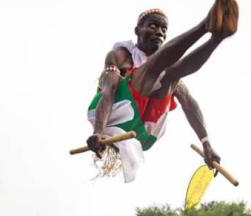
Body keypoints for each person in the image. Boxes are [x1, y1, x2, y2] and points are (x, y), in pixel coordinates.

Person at [86, 2, 239, 182]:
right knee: (152, 71)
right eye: (153, 26)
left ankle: (217, 38)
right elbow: (109, 89)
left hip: (146, 132)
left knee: (171, 76)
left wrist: (206, 143)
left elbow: (189, 104)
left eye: (164, 29)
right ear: (138, 31)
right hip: (117, 119)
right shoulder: (121, 55)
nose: (160, 32)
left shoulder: (165, 68)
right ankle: (205, 26)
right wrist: (98, 131)